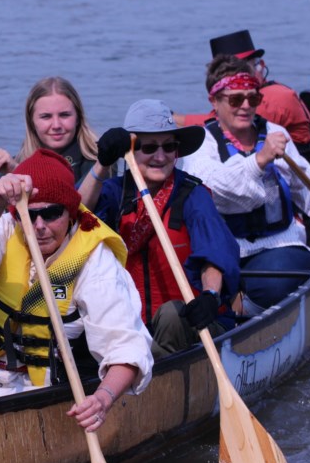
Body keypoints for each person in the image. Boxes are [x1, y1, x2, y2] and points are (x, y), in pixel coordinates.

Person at [0, 149, 154, 434]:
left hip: (58, 384)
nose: (39, 226)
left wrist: (102, 399)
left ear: (70, 210)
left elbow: (126, 349)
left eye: (51, 214)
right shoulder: (11, 224)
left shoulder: (96, 261)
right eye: (32, 215)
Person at [178, 56, 310, 316]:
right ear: (214, 101)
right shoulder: (202, 143)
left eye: (252, 99)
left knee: (280, 279)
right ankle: (235, 307)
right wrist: (259, 160)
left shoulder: (275, 133)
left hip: (280, 248)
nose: (245, 106)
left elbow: (305, 191)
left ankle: (243, 308)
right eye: (235, 99)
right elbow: (216, 189)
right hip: (223, 255)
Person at [89, 100, 241, 358]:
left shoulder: (194, 195)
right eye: (149, 147)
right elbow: (74, 214)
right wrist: (101, 164)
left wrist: (210, 296)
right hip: (133, 326)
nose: (160, 156)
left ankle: (143, 374)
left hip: (192, 324)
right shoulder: (114, 193)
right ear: (131, 151)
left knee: (171, 315)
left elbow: (214, 254)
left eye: (169, 147)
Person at [176, 29, 310, 178]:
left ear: (258, 66)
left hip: (300, 180)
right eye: (227, 71)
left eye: (240, 68)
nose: (237, 74)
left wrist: (175, 120)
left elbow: (218, 120)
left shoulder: (276, 97)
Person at [0, 76, 103, 188]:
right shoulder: (16, 163)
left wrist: (18, 171)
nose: (56, 125)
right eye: (46, 117)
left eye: (64, 115)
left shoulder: (100, 160)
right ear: (32, 122)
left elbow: (75, 205)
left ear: (78, 118)